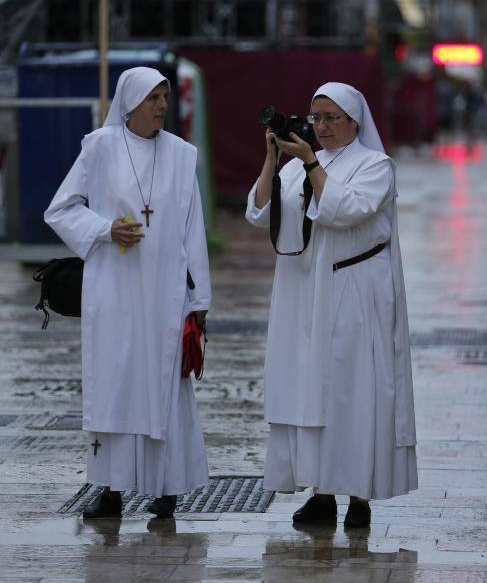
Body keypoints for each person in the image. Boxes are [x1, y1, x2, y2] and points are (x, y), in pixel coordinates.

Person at [246, 82, 417, 528]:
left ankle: (359, 494)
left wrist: (308, 162)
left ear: (354, 121)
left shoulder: (375, 165)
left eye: (330, 118)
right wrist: (272, 159)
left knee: (351, 391)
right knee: (309, 390)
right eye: (315, 117)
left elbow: (344, 210)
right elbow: (260, 212)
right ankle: (321, 492)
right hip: (303, 289)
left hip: (354, 291)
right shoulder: (294, 166)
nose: (320, 127)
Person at [45, 66, 211, 519]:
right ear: (130, 102)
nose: (162, 105)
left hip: (165, 291)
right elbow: (60, 209)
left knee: (165, 387)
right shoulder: (99, 147)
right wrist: (105, 229)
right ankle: (111, 489)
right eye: (152, 97)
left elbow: (193, 229)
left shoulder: (180, 154)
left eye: (164, 96)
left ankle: (167, 488)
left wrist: (198, 304)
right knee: (116, 384)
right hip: (115, 289)